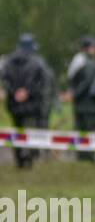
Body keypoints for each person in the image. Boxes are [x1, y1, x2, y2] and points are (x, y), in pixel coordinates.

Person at [1, 33, 54, 169]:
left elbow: (5, 80)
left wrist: (14, 92)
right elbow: (41, 83)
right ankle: (28, 160)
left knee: (17, 131)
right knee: (29, 132)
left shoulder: (8, 61)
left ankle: (19, 159)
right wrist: (27, 92)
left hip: (13, 104)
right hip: (31, 104)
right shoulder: (38, 62)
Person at [65, 36, 95, 160]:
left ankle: (81, 155)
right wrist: (75, 94)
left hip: (80, 103)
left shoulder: (78, 60)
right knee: (89, 129)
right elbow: (87, 82)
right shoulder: (89, 63)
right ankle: (88, 155)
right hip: (88, 103)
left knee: (80, 128)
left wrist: (73, 94)